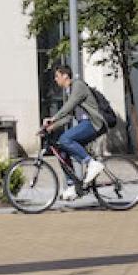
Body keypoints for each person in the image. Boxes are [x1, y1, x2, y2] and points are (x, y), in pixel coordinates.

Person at [38, 64, 112, 202]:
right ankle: (73, 185)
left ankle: (91, 163)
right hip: (86, 124)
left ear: (65, 75)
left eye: (57, 76)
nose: (55, 79)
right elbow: (68, 116)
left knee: (65, 138)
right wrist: (51, 127)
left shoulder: (78, 86)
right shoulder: (70, 91)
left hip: (94, 123)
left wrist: (52, 119)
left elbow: (68, 107)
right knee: (61, 150)